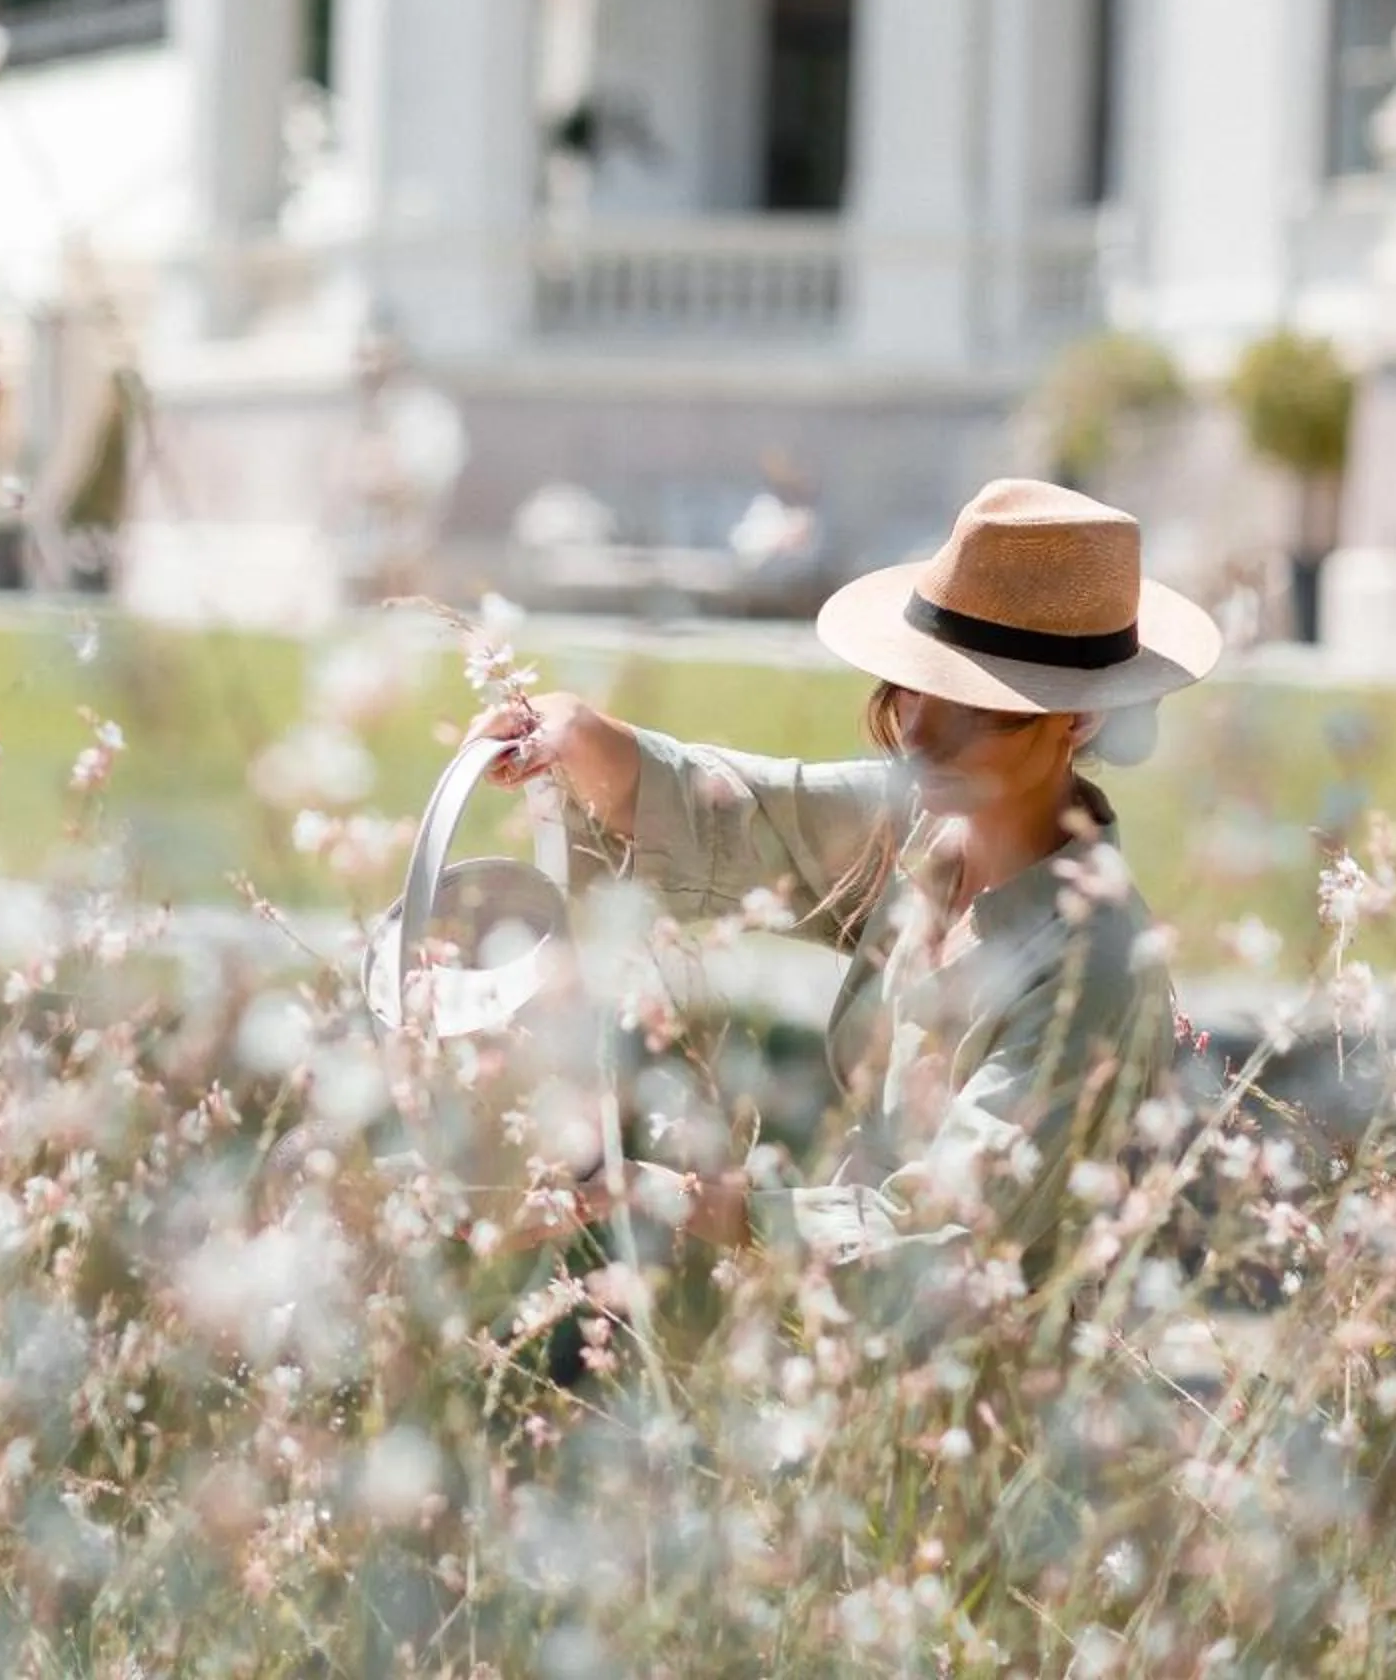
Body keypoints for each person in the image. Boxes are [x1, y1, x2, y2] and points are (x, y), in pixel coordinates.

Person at [470, 478, 1221, 1283]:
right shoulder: (926, 826)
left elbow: (940, 1227)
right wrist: (581, 733)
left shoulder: (1095, 966)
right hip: (863, 1344)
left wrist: (657, 1193)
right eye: (910, 690)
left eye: (970, 706)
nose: (918, 735)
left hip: (998, 1378)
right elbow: (734, 814)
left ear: (1078, 718)